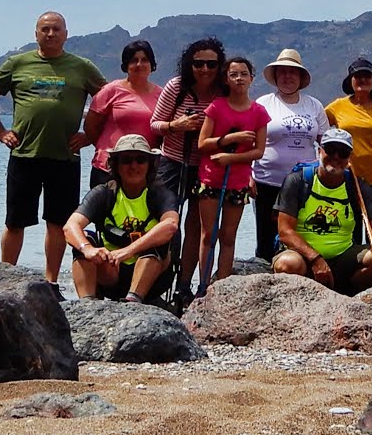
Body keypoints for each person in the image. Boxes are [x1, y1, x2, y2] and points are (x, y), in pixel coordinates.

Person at [0, 12, 107, 290]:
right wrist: (1, 132)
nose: (50, 34)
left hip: (65, 157)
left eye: (56, 29)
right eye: (45, 29)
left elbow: (108, 100)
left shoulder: (81, 67)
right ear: (36, 34)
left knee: (59, 224)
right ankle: (5, 280)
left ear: (66, 33)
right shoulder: (18, 63)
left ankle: (51, 283)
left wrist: (90, 136)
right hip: (25, 155)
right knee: (15, 222)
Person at [272, 128, 372, 308]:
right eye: (330, 149)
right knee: (288, 264)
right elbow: (285, 231)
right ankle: (295, 305)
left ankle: (339, 299)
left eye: (342, 152)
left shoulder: (357, 186)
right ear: (319, 151)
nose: (335, 156)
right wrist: (315, 259)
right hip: (303, 258)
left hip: (341, 258)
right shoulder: (298, 181)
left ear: (349, 158)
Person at [62, 135, 179, 303]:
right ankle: (86, 305)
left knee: (159, 240)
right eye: (126, 160)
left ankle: (133, 299)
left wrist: (126, 252)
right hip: (111, 273)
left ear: (150, 165)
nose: (133, 166)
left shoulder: (160, 194)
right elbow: (70, 226)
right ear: (116, 164)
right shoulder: (104, 193)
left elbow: (171, 225)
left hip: (152, 276)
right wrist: (87, 248)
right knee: (84, 239)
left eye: (140, 160)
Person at [149, 37, 225, 296]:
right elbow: (155, 124)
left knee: (196, 226)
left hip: (206, 165)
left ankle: (185, 285)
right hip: (172, 162)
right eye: (198, 63)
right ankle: (159, 281)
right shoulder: (177, 87)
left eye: (211, 64)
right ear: (189, 64)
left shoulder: (222, 91)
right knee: (167, 223)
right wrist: (175, 126)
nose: (205, 70)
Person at [195, 56, 268, 288]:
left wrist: (231, 158)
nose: (239, 79)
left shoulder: (258, 112)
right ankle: (204, 285)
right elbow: (202, 144)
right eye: (234, 74)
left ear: (251, 78)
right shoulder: (216, 107)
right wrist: (231, 139)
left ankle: (222, 287)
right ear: (226, 79)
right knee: (208, 235)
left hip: (237, 183)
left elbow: (258, 151)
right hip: (210, 178)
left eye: (243, 74)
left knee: (228, 237)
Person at [251, 49, 329, 261]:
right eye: (282, 72)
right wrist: (247, 176)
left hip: (304, 183)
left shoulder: (314, 105)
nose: (287, 77)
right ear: (275, 77)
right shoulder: (263, 103)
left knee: (301, 233)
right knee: (266, 237)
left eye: (292, 72)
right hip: (267, 181)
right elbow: (249, 142)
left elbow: (325, 144)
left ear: (301, 77)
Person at [324, 57, 372, 219]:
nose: (363, 79)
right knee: (349, 233)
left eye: (367, 76)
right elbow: (318, 131)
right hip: (348, 178)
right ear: (350, 81)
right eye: (358, 76)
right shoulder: (337, 107)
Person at [84, 40, 162, 188]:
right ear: (126, 65)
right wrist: (108, 149)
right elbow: (91, 126)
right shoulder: (110, 90)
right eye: (133, 60)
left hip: (144, 170)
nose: (139, 64)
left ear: (152, 64)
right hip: (108, 168)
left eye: (144, 60)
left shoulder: (162, 94)